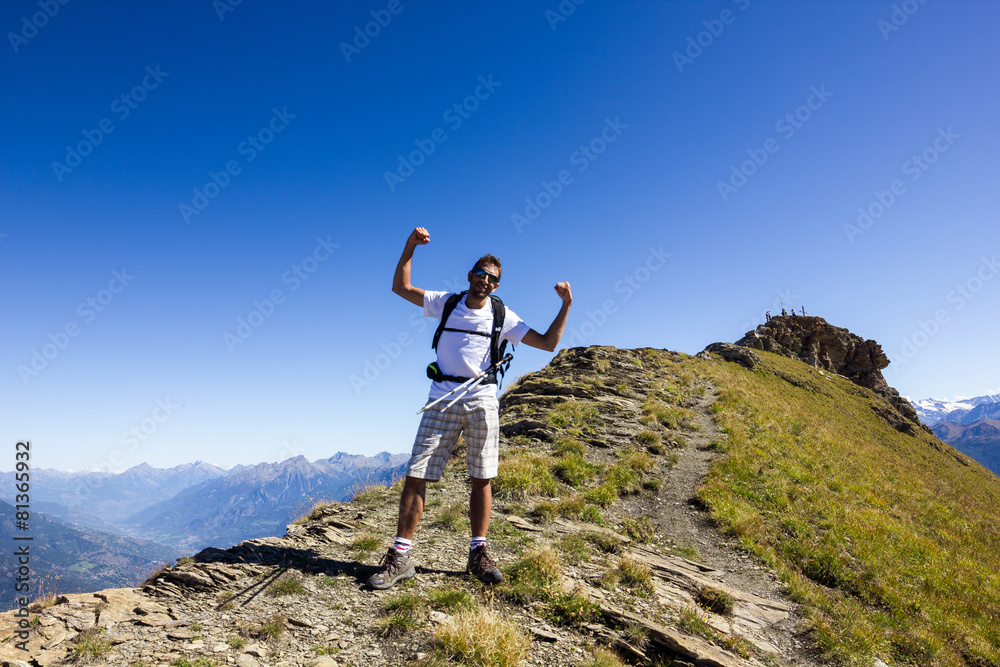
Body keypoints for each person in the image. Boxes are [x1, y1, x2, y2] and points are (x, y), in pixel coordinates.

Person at [367, 227, 573, 590]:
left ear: (497, 285)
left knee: (482, 477)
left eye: (492, 278)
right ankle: (400, 557)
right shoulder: (446, 303)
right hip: (441, 397)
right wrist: (410, 246)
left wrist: (566, 305)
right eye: (480, 274)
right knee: (417, 474)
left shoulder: (502, 316)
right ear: (470, 275)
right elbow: (401, 287)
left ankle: (478, 554)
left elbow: (548, 343)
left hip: (481, 400)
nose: (485, 281)